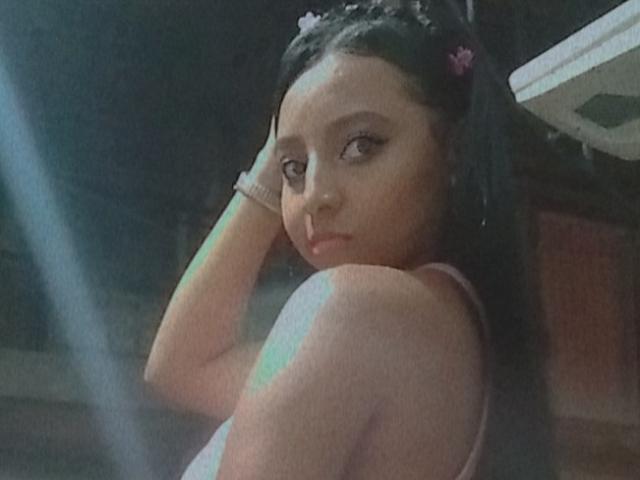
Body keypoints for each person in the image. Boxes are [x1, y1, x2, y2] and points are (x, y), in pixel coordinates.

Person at [144, 1, 558, 478]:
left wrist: (291, 141)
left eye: (361, 145)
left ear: (452, 149)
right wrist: (282, 147)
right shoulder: (450, 331)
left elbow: (181, 370)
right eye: (294, 169)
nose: (316, 196)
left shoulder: (348, 311)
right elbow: (182, 369)